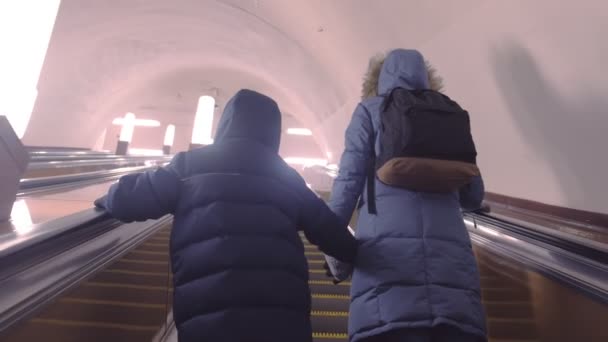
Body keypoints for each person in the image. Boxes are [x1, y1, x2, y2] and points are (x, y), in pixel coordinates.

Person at [94, 89, 358, 342]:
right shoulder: (287, 177)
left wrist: (106, 200)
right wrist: (354, 255)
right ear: (273, 131)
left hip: (209, 315)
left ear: (227, 124)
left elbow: (133, 198)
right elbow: (331, 231)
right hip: (281, 318)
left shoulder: (189, 165)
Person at [324, 49, 487, 342]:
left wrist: (336, 257)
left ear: (375, 80)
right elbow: (474, 195)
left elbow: (347, 182)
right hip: (453, 279)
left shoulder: (369, 111)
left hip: (386, 274)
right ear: (427, 78)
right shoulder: (447, 112)